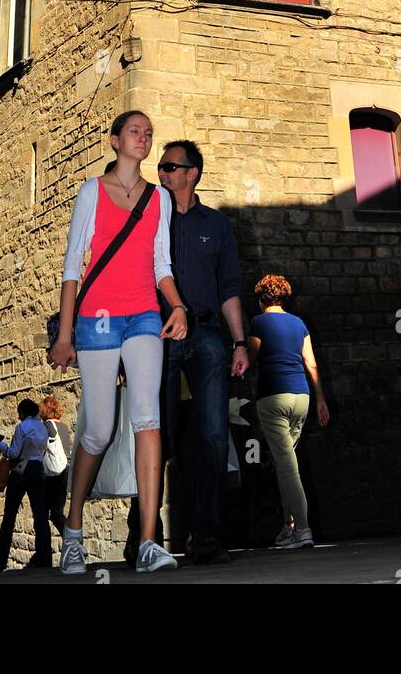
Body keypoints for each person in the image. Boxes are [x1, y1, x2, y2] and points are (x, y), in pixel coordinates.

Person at [50, 109, 188, 576]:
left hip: (145, 315)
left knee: (149, 419)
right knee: (99, 431)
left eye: (149, 133)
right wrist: (65, 336)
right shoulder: (92, 191)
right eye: (135, 131)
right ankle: (72, 532)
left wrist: (178, 307)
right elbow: (73, 266)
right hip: (98, 319)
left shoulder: (159, 199)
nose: (144, 139)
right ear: (114, 141)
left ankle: (150, 541)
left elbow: (162, 265)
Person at [125, 139, 248, 566]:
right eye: (159, 167)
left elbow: (230, 289)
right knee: (156, 432)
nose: (161, 173)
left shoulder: (216, 225)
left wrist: (239, 342)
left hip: (208, 336)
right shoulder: (148, 220)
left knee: (214, 435)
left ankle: (208, 537)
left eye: (170, 167)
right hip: (157, 336)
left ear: (192, 173)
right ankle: (142, 535)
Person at [248, 274, 329, 550]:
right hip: (302, 397)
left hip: (273, 398)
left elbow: (250, 359)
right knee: (287, 465)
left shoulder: (259, 322)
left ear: (261, 299)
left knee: (287, 465)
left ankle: (303, 529)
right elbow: (312, 365)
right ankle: (288, 528)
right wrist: (321, 400)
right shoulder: (299, 323)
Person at [0, 398, 53, 571]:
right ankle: (45, 557)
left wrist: (0, 443)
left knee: (9, 517)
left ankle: (0, 560)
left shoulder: (22, 427)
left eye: (19, 413)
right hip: (38, 471)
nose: (18, 417)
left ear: (23, 412)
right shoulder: (43, 427)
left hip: (21, 473)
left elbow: (14, 452)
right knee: (40, 516)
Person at [39, 396, 71, 542]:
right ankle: (71, 539)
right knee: (57, 511)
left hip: (51, 473)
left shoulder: (47, 426)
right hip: (65, 470)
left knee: (44, 514)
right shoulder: (64, 427)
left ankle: (45, 553)